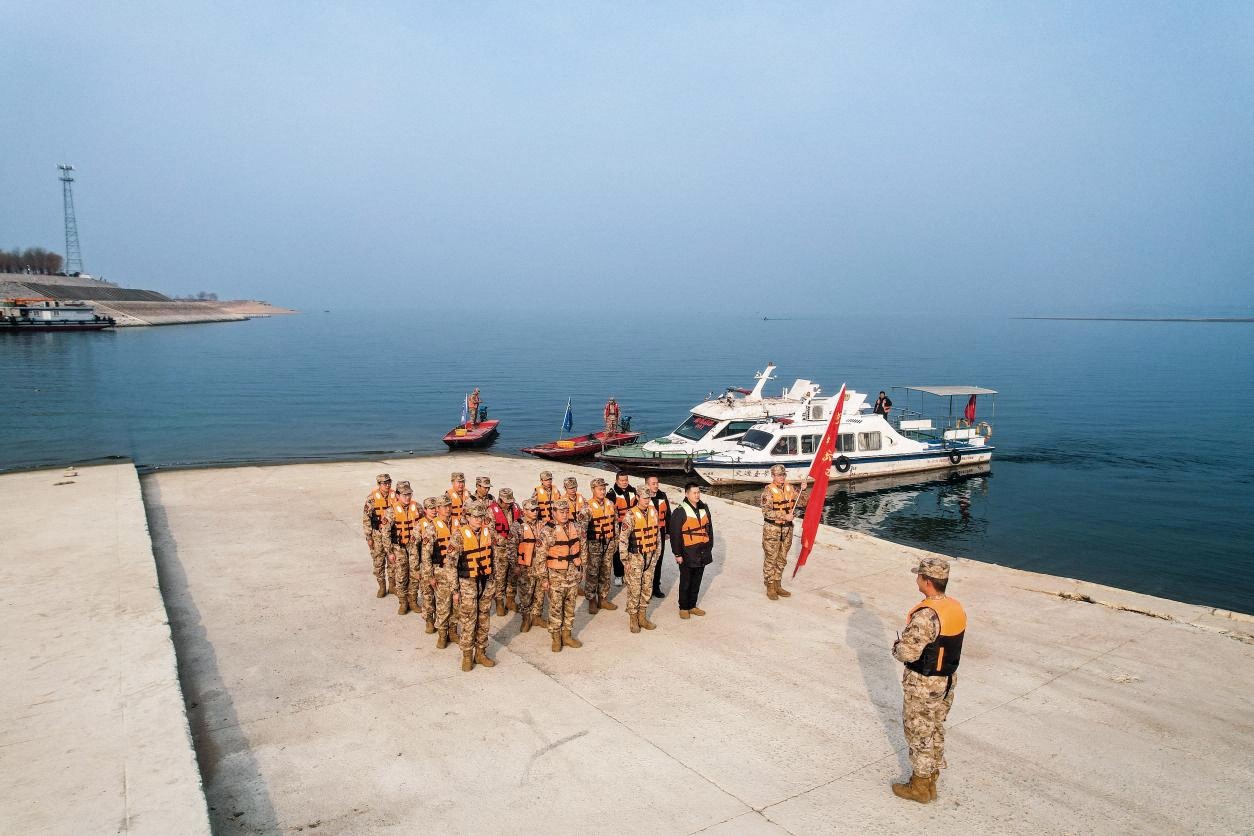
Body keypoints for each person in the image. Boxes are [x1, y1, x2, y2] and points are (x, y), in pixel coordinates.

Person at [891, 556, 966, 803]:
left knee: (918, 731)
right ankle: (932, 777)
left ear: (927, 581)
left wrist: (897, 647)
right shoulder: (955, 608)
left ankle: (920, 787)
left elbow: (907, 652)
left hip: (924, 683)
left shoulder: (926, 616)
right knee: (934, 728)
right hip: (946, 680)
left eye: (919, 576)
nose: (917, 579)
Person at [448, 503, 495, 672]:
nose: (478, 520)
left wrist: (494, 581)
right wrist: (455, 590)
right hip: (467, 583)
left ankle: (481, 653)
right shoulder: (458, 536)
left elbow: (493, 557)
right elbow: (451, 564)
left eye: (481, 517)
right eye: (475, 517)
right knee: (468, 620)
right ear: (468, 517)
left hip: (486, 582)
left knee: (484, 619)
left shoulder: (488, 532)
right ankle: (467, 656)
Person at [541, 499, 585, 652]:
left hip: (572, 574)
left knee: (570, 607)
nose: (565, 514)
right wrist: (544, 579)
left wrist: (581, 569)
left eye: (566, 511)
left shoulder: (576, 527)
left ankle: (567, 635)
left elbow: (582, 548)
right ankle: (556, 638)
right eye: (561, 512)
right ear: (553, 513)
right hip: (555, 576)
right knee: (555, 608)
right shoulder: (547, 531)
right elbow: (540, 557)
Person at [668, 482, 713, 619]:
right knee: (686, 581)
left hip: (702, 551)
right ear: (687, 494)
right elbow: (675, 535)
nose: (697, 495)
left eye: (698, 492)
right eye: (694, 493)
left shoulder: (704, 508)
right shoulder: (680, 511)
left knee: (697, 580)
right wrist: (677, 554)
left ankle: (692, 606)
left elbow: (709, 529)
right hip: (687, 552)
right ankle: (683, 607)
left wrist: (709, 547)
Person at [619, 486, 660, 633]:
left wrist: (657, 554)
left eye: (649, 498)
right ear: (637, 497)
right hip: (635, 558)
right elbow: (623, 539)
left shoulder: (653, 512)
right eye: (644, 498)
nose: (647, 500)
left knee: (647, 588)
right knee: (634, 589)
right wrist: (625, 560)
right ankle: (633, 619)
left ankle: (642, 617)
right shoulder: (630, 515)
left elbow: (658, 535)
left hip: (650, 556)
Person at [423, 496, 459, 648]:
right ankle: (442, 634)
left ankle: (453, 631)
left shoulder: (458, 523)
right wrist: (430, 576)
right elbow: (426, 554)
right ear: (437, 509)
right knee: (443, 605)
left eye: (449, 505)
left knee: (456, 605)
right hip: (441, 572)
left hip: (456, 572)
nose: (447, 509)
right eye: (444, 506)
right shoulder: (431, 528)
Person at [759, 464, 799, 601]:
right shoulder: (768, 492)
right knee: (771, 558)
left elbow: (803, 501)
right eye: (779, 475)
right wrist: (784, 516)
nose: (782, 477)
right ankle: (770, 586)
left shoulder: (790, 488)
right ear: (773, 476)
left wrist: (804, 490)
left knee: (782, 558)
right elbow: (766, 512)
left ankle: (778, 584)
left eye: (783, 474)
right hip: (772, 530)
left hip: (787, 530)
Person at [381, 481, 421, 616]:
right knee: (401, 576)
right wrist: (389, 552)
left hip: (414, 548)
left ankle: (413, 601)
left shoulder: (417, 507)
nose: (407, 497)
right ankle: (403, 602)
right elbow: (385, 533)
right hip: (399, 548)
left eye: (409, 494)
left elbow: (425, 523)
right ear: (397, 495)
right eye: (404, 495)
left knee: (415, 575)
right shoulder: (390, 511)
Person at [583, 477, 619, 614]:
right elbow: (582, 531)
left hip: (609, 543)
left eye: (604, 489)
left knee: (606, 571)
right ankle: (591, 600)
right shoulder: (587, 507)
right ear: (593, 490)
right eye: (600, 489)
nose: (603, 491)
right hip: (594, 544)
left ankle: (602, 599)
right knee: (592, 573)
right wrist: (584, 550)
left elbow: (615, 524)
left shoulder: (610, 503)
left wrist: (615, 541)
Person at [510, 499, 546, 633]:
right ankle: (526, 618)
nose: (535, 512)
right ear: (524, 511)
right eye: (532, 510)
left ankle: (536, 616)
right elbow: (511, 547)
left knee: (540, 592)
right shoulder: (517, 526)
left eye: (537, 509)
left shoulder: (543, 524)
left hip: (540, 564)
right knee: (526, 593)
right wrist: (515, 565)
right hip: (525, 566)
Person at [488, 487, 520, 616]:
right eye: (506, 502)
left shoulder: (515, 508)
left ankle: (510, 600)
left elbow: (521, 523)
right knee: (500, 577)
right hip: (500, 549)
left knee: (513, 575)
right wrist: (504, 539)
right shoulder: (491, 511)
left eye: (510, 502)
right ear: (500, 500)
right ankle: (499, 602)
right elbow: (490, 531)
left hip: (514, 548)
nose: (508, 504)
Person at [361, 473, 393, 598]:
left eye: (389, 482)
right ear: (379, 484)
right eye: (384, 483)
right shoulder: (371, 499)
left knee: (392, 560)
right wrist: (369, 537)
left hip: (390, 535)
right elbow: (366, 518)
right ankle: (382, 586)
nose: (387, 485)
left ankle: (392, 586)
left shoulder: (395, 496)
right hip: (377, 535)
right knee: (379, 561)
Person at [607, 472, 638, 585]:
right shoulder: (612, 494)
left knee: (631, 549)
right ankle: (618, 575)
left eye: (626, 480)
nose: (624, 482)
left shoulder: (633, 491)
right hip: (619, 525)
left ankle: (628, 573)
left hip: (632, 524)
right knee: (618, 550)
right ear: (617, 481)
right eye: (622, 480)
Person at [415, 497, 440, 634]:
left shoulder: (440, 524)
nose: (434, 511)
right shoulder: (420, 526)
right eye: (431, 508)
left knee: (440, 596)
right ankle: (429, 621)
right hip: (425, 566)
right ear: (425, 510)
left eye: (436, 508)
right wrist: (415, 569)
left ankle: (440, 622)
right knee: (427, 595)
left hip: (439, 565)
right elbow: (414, 548)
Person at [645, 475, 671, 599]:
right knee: (647, 561)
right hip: (647, 534)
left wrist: (668, 531)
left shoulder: (663, 496)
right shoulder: (643, 497)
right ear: (647, 485)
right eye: (653, 483)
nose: (656, 485)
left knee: (658, 560)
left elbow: (668, 514)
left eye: (657, 483)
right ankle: (647, 588)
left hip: (660, 532)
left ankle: (656, 587)